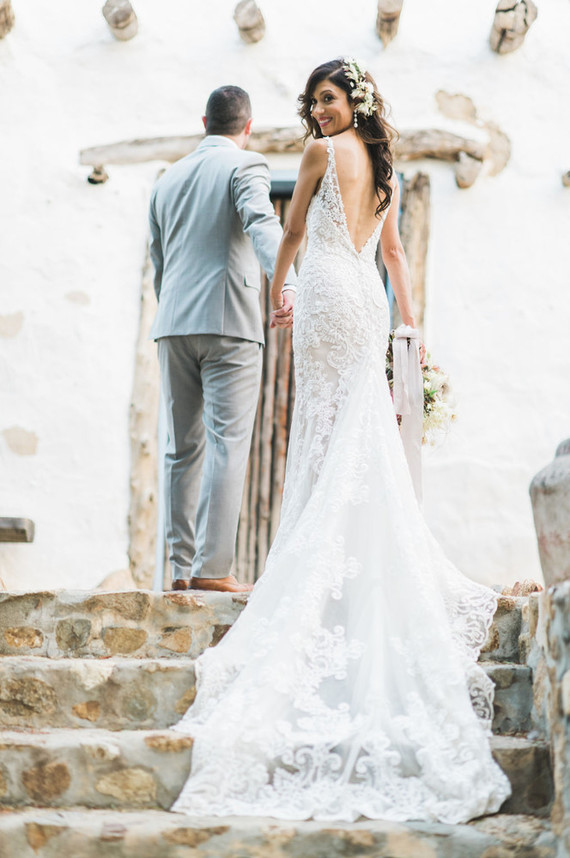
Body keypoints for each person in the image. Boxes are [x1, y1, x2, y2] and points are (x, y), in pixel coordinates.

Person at [170, 59, 511, 823]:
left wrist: (277, 291)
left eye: (329, 98)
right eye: (315, 101)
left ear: (352, 100)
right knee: (351, 427)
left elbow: (291, 230)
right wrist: (409, 328)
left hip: (326, 291)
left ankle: (318, 556)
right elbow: (392, 258)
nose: (320, 112)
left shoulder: (323, 155)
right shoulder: (386, 169)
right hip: (364, 300)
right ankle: (352, 556)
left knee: (325, 429)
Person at [149, 85, 297, 594]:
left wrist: (172, 309)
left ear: (204, 121)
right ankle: (214, 568)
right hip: (230, 323)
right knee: (227, 445)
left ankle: (179, 570)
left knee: (180, 449)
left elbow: (159, 262)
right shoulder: (246, 165)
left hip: (172, 325)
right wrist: (286, 285)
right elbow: (262, 222)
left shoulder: (167, 179)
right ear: (247, 127)